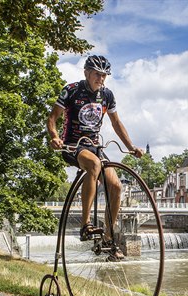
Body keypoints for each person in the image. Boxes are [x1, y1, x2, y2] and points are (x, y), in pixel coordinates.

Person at [46, 55, 143, 260]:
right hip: (72, 145)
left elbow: (117, 123)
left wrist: (131, 147)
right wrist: (54, 137)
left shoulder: (107, 95)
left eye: (104, 75)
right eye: (97, 74)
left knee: (116, 186)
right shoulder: (71, 90)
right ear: (86, 73)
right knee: (93, 164)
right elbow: (52, 117)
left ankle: (108, 238)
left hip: (94, 145)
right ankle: (85, 224)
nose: (101, 78)